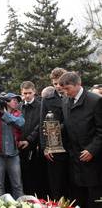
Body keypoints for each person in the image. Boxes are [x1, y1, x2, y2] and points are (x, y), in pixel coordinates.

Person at [59, 72, 102, 208]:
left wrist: (92, 150)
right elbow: (67, 125)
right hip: (74, 158)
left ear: (78, 84)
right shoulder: (65, 101)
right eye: (63, 90)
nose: (65, 93)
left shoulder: (95, 100)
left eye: (68, 89)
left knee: (94, 198)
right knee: (77, 197)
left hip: (93, 158)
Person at [40, 67, 70, 200]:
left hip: (72, 145)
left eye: (60, 83)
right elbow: (42, 124)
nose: (58, 86)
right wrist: (45, 147)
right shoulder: (47, 100)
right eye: (55, 84)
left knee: (73, 183)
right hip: (55, 148)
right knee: (56, 184)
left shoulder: (73, 96)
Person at [0, 92, 25, 198]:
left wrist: (4, 114)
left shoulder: (18, 114)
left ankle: (21, 205)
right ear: (6, 102)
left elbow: (20, 123)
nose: (16, 102)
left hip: (14, 154)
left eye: (17, 100)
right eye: (13, 100)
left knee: (17, 184)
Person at [19, 81, 47, 197]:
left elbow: (40, 125)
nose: (27, 96)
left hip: (35, 147)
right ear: (21, 93)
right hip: (20, 146)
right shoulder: (19, 106)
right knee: (23, 175)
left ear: (34, 92)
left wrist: (29, 140)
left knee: (35, 175)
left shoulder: (41, 106)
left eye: (29, 93)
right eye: (25, 93)